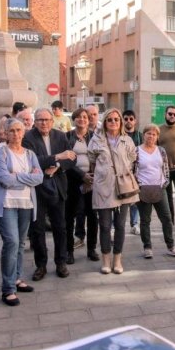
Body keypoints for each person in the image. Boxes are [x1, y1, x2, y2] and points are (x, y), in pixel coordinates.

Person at [0, 119, 42, 306]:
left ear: (24, 132)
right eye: (11, 130)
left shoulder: (30, 154)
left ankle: (17, 279)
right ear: (5, 133)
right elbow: (3, 179)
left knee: (20, 243)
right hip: (6, 204)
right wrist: (27, 178)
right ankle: (8, 289)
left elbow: (39, 178)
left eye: (19, 130)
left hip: (26, 204)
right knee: (11, 242)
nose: (16, 134)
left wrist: (17, 176)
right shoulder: (0, 152)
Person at [22, 108, 76, 280]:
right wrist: (56, 157)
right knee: (37, 230)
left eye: (46, 120)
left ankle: (61, 263)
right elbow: (32, 160)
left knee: (60, 227)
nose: (43, 123)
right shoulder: (28, 138)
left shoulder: (61, 136)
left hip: (57, 186)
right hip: (37, 189)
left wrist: (58, 166)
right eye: (39, 120)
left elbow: (71, 158)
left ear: (52, 121)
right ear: (35, 121)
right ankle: (41, 265)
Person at [87, 109, 139, 274]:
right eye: (110, 120)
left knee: (120, 225)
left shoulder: (127, 140)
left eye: (116, 119)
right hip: (103, 187)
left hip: (123, 187)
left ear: (121, 122)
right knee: (104, 225)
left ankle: (117, 259)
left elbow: (132, 157)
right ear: (105, 122)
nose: (114, 122)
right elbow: (92, 159)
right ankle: (106, 260)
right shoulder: (96, 140)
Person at [134, 125, 175, 259]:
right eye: (149, 134)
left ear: (157, 137)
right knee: (145, 220)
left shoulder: (161, 150)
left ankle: (170, 246)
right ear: (144, 135)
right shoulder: (137, 151)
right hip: (143, 189)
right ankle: (147, 247)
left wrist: (164, 183)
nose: (151, 136)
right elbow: (132, 169)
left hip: (160, 188)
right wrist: (138, 186)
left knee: (166, 218)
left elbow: (165, 168)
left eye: (154, 134)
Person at [66, 107, 99, 262]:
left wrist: (90, 177)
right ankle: (69, 251)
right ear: (74, 119)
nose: (82, 119)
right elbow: (66, 161)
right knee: (70, 216)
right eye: (78, 117)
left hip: (92, 181)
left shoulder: (95, 136)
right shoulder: (67, 137)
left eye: (85, 117)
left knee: (92, 217)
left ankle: (91, 249)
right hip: (72, 181)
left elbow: (99, 157)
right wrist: (82, 176)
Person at [122, 110, 142, 233]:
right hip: (122, 171)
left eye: (131, 119)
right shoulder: (120, 136)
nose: (128, 121)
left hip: (136, 171)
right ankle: (115, 225)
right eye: (126, 119)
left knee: (135, 199)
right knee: (120, 199)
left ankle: (134, 223)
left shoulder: (140, 136)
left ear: (135, 120)